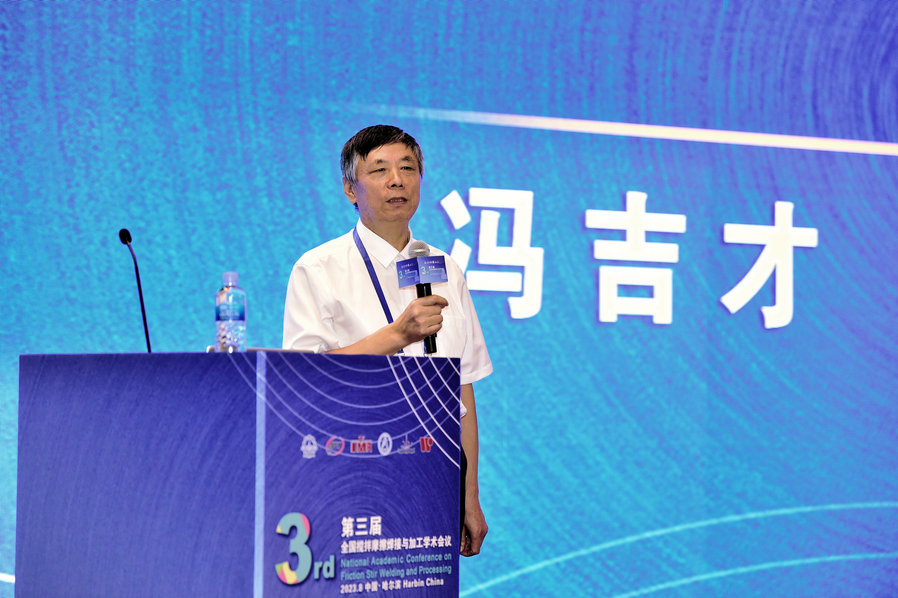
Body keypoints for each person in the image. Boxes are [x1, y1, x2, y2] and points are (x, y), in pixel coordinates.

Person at [282, 124, 491, 557]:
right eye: (379, 170)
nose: (397, 180)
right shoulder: (318, 269)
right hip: (351, 470)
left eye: (407, 168)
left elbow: (463, 388)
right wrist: (398, 335)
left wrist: (468, 495)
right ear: (350, 189)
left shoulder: (445, 268)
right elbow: (305, 376)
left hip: (435, 474)